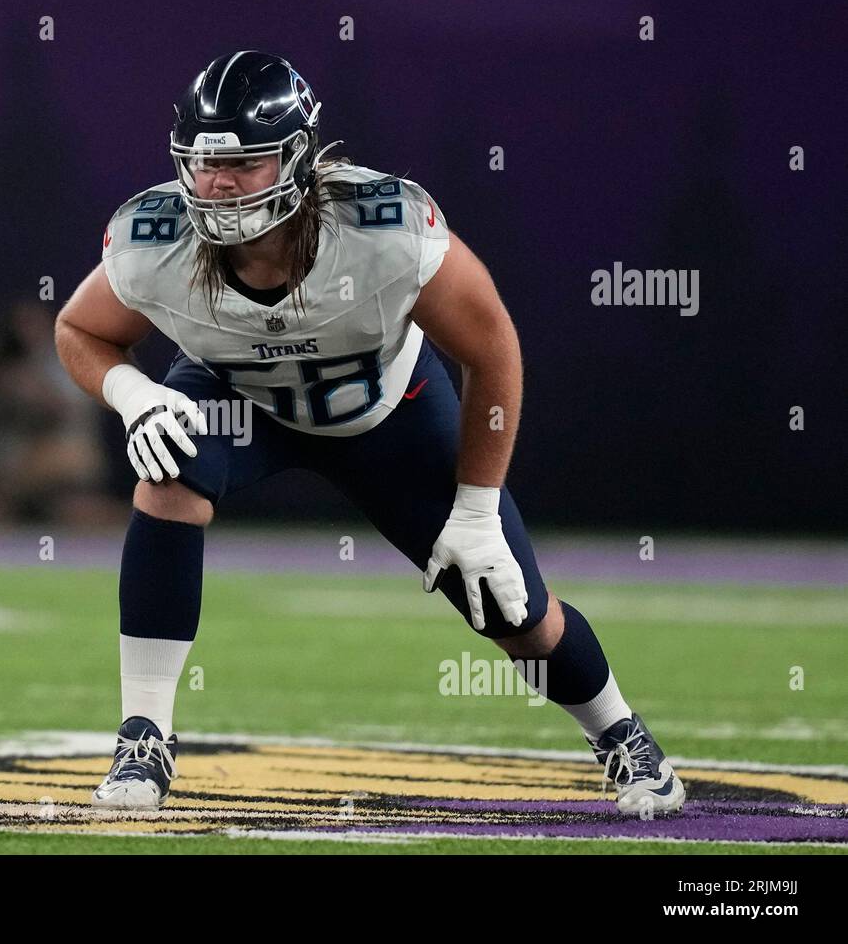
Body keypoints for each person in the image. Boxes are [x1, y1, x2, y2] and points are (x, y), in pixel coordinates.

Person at [55, 51, 684, 816]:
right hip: (241, 400)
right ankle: (143, 737)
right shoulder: (156, 237)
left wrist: (479, 507)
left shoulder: (381, 229)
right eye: (203, 164)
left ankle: (620, 734)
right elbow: (80, 328)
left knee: (512, 610)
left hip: (390, 412)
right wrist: (133, 393)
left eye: (244, 163)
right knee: (169, 466)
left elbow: (491, 349)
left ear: (296, 156)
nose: (217, 186)